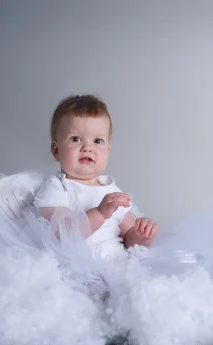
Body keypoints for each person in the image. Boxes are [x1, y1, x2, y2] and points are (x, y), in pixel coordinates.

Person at [32, 94, 158, 262]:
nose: (87, 148)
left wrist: (141, 235)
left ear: (107, 151)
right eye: (76, 139)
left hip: (117, 268)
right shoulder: (57, 187)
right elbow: (63, 236)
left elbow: (128, 237)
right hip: (77, 271)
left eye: (97, 141)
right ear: (56, 150)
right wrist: (99, 213)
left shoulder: (111, 190)